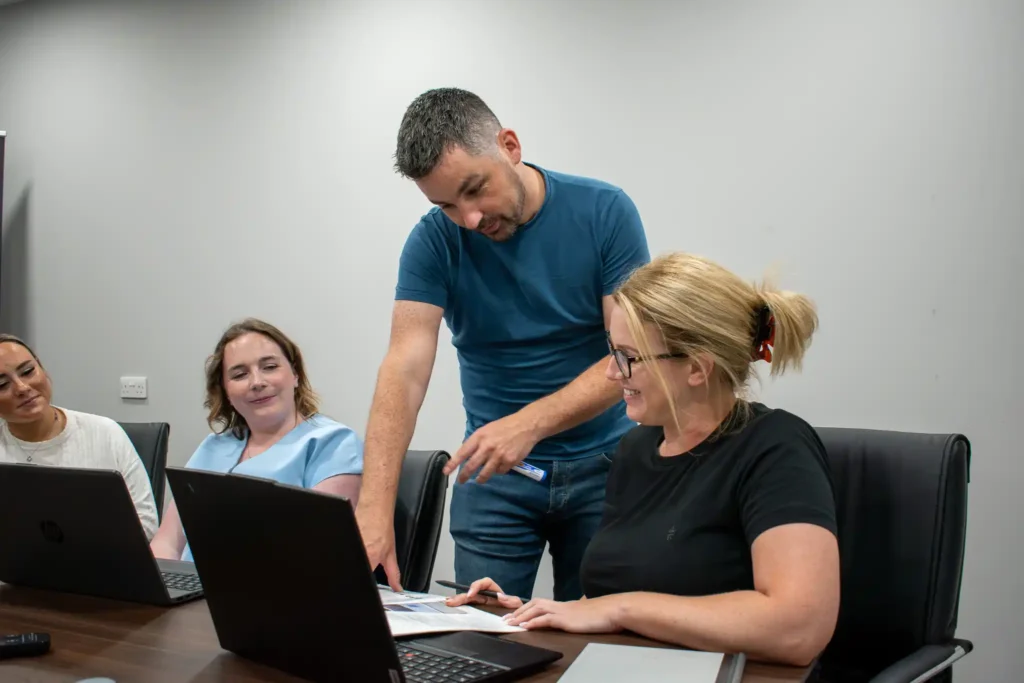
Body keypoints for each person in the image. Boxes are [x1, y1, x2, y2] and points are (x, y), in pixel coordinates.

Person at [445, 252, 841, 667]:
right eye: (613, 353)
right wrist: (537, 613)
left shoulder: (776, 447)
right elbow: (612, 597)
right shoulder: (637, 449)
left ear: (697, 368)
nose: (613, 374)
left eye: (628, 357)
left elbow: (799, 628)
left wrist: (620, 608)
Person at [356, 87, 651, 600]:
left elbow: (632, 357)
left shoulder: (605, 212)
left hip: (607, 466)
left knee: (601, 631)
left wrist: (527, 424)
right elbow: (403, 370)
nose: (469, 219)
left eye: (475, 190)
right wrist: (373, 509)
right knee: (480, 632)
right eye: (447, 205)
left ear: (509, 146)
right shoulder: (433, 242)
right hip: (495, 475)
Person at [150, 318, 364, 562]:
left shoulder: (333, 443)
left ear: (295, 374)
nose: (257, 382)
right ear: (226, 391)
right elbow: (167, 542)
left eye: (270, 367)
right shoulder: (213, 447)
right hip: (191, 584)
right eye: (240, 374)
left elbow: (320, 553)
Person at [0, 334, 159, 539]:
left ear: (43, 370)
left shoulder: (106, 433)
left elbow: (146, 525)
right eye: (2, 384)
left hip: (105, 556)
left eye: (28, 371)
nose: (22, 388)